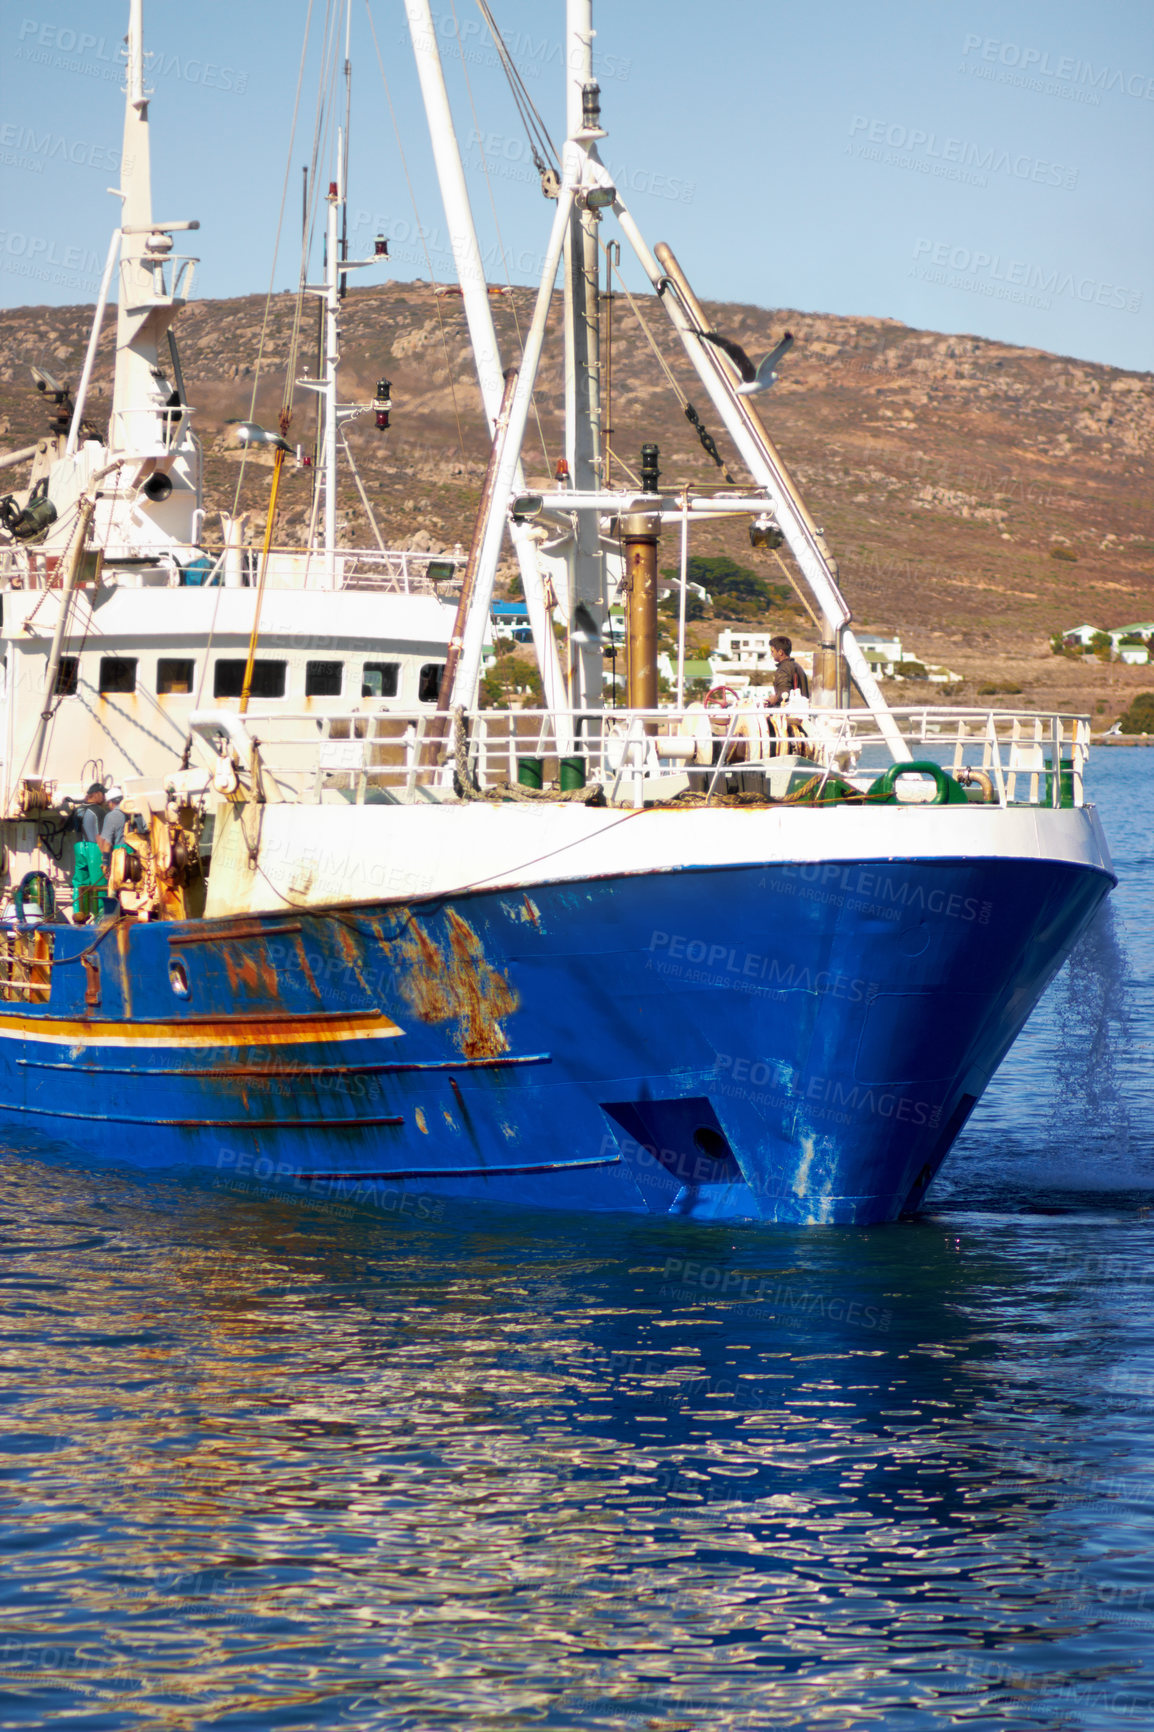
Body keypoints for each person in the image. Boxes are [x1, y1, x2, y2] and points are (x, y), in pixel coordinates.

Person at [72, 783, 106, 923]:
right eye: (103, 794)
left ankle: (79, 914)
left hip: (79, 847)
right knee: (99, 883)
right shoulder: (99, 811)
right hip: (95, 848)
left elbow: (74, 829)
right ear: (97, 794)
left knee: (80, 881)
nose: (104, 797)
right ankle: (101, 917)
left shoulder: (78, 810)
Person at [767, 636, 810, 707]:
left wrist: (772, 699)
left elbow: (784, 695)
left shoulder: (783, 669)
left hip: (791, 713)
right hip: (802, 710)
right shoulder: (797, 666)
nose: (771, 654)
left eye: (772, 651)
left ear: (780, 652)